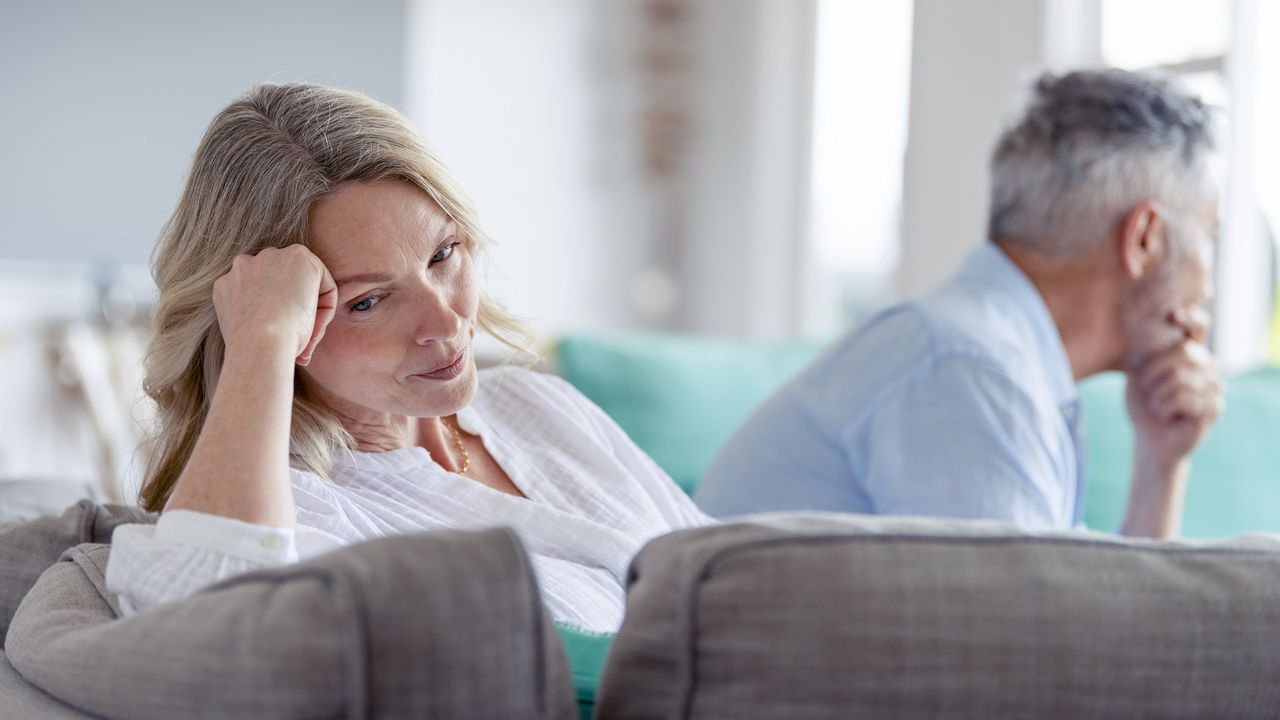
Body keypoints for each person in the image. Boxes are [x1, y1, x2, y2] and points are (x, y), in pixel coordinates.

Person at [104, 83, 710, 634]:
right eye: (368, 301)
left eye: (443, 255)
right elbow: (194, 626)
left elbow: (726, 574)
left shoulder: (538, 405)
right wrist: (258, 343)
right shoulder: (299, 506)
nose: (446, 324)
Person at [696, 69, 1222, 539]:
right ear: (1144, 240)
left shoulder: (987, 349)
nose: (1211, 288)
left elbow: (1096, 620)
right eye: (1210, 234)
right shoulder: (972, 367)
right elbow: (1037, 643)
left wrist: (1162, 464)